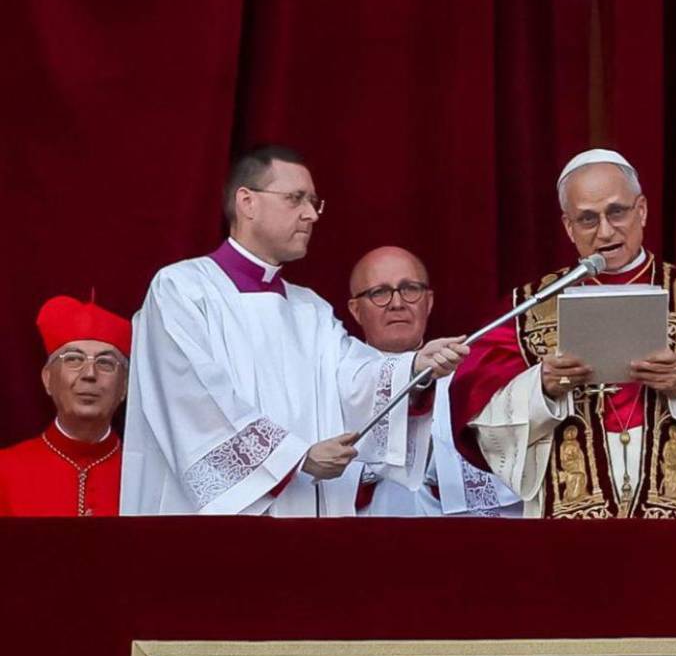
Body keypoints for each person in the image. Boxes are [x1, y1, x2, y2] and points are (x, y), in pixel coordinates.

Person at [120, 145, 465, 515]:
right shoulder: (183, 289)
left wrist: (412, 367)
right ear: (247, 202)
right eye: (296, 199)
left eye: (315, 202)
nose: (310, 215)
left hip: (304, 522)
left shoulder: (309, 308)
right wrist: (295, 458)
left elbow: (351, 378)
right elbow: (194, 401)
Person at [450, 148, 676, 518]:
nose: (605, 231)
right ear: (568, 226)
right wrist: (542, 388)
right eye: (587, 219)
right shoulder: (528, 308)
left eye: (616, 211)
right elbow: (481, 414)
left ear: (641, 210)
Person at [347, 245, 520, 517]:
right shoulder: (336, 378)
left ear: (428, 302)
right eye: (379, 292)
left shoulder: (469, 374)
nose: (397, 303)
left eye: (409, 289)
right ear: (356, 310)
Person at [0, 294, 131, 516]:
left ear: (125, 387)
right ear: (48, 378)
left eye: (106, 363)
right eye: (73, 359)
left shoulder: (148, 476)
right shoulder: (4, 470)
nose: (89, 374)